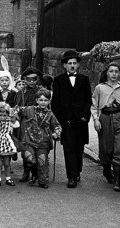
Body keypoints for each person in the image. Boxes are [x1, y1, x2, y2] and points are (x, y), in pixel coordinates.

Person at [91, 62, 120, 192]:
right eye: (111, 71)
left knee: (119, 151)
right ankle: (106, 169)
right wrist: (96, 120)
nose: (114, 74)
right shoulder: (100, 88)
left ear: (119, 73)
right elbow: (94, 106)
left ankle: (117, 180)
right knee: (107, 150)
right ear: (107, 73)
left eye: (116, 71)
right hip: (105, 118)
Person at [51, 50, 92, 188]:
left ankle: (77, 170)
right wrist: (58, 122)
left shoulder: (84, 80)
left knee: (79, 147)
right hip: (66, 121)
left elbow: (88, 101)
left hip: (80, 121)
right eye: (69, 63)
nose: (72, 66)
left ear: (78, 65)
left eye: (75, 63)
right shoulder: (58, 81)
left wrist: (85, 116)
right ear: (64, 65)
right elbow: (55, 103)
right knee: (69, 148)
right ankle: (71, 176)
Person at [17, 88, 61, 189]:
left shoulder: (50, 115)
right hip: (29, 140)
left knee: (42, 161)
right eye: (41, 100)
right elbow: (16, 110)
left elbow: (57, 126)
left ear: (49, 101)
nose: (43, 102)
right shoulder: (29, 109)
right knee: (29, 158)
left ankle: (42, 180)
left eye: (45, 100)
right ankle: (35, 173)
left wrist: (56, 133)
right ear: (36, 100)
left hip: (43, 142)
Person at [14, 66, 44, 182]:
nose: (31, 82)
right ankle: (27, 171)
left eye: (34, 79)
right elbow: (16, 109)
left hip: (39, 124)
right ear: (24, 80)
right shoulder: (20, 93)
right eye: (28, 79)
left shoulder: (41, 92)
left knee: (38, 149)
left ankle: (36, 173)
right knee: (25, 149)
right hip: (25, 124)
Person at [0, 102, 20, 187]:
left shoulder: (8, 122)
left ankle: (8, 178)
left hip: (7, 143)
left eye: (4, 115)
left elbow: (17, 125)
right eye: (0, 115)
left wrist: (13, 117)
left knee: (7, 163)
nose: (2, 117)